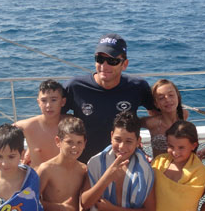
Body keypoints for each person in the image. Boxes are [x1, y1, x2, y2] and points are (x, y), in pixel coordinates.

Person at [64, 34, 155, 163]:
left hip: (125, 162)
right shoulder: (75, 87)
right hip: (84, 164)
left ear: (124, 64)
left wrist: (137, 134)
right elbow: (52, 118)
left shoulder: (138, 87)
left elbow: (156, 115)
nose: (104, 66)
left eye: (112, 61)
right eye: (100, 59)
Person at [81, 111, 156, 211]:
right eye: (118, 139)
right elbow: (85, 203)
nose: (122, 146)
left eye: (129, 141)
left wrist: (112, 209)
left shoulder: (145, 170)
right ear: (111, 136)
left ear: (138, 141)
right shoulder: (96, 163)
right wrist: (107, 178)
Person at [15, 79, 69, 168]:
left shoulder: (71, 124)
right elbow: (2, 137)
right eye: (44, 100)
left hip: (64, 176)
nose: (48, 105)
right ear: (38, 102)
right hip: (37, 176)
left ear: (63, 102)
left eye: (53, 100)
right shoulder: (27, 126)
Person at [141, 79, 189, 158]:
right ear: (156, 104)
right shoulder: (152, 122)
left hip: (182, 163)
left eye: (171, 95)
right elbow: (130, 125)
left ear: (178, 97)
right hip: (159, 165)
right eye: (161, 98)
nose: (167, 100)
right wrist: (140, 150)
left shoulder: (184, 114)